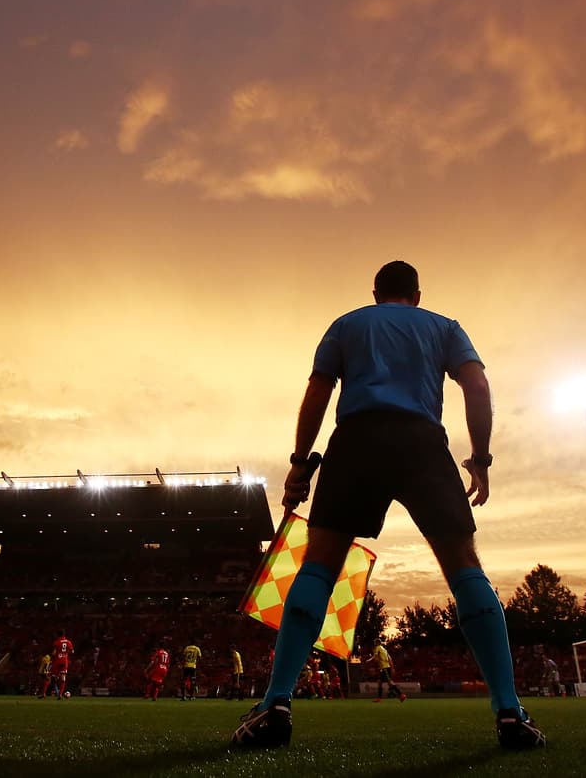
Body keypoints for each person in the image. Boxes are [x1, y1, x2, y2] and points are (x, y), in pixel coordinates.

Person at [230, 260, 543, 751]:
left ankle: (277, 703)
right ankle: (508, 711)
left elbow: (318, 391)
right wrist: (480, 459)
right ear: (417, 295)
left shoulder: (347, 324)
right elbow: (478, 386)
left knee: (319, 566)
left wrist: (300, 463)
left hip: (356, 440)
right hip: (422, 442)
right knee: (464, 567)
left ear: (375, 294)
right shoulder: (445, 327)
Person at [51, 630, 74, 698]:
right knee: (63, 678)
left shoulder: (57, 642)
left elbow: (54, 653)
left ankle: (56, 691)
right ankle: (60, 694)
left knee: (53, 677)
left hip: (57, 661)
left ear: (58, 635)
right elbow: (72, 651)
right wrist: (66, 653)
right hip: (65, 661)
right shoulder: (69, 642)